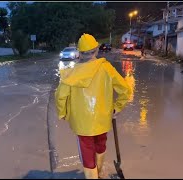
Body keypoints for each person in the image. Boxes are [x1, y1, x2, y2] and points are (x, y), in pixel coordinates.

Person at [55, 33, 131, 179]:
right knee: (100, 145)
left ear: (79, 53)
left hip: (82, 122)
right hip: (103, 118)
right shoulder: (106, 68)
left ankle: (92, 176)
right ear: (96, 50)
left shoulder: (70, 74)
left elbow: (60, 96)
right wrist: (117, 107)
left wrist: (62, 113)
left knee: (87, 151)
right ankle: (99, 171)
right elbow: (125, 90)